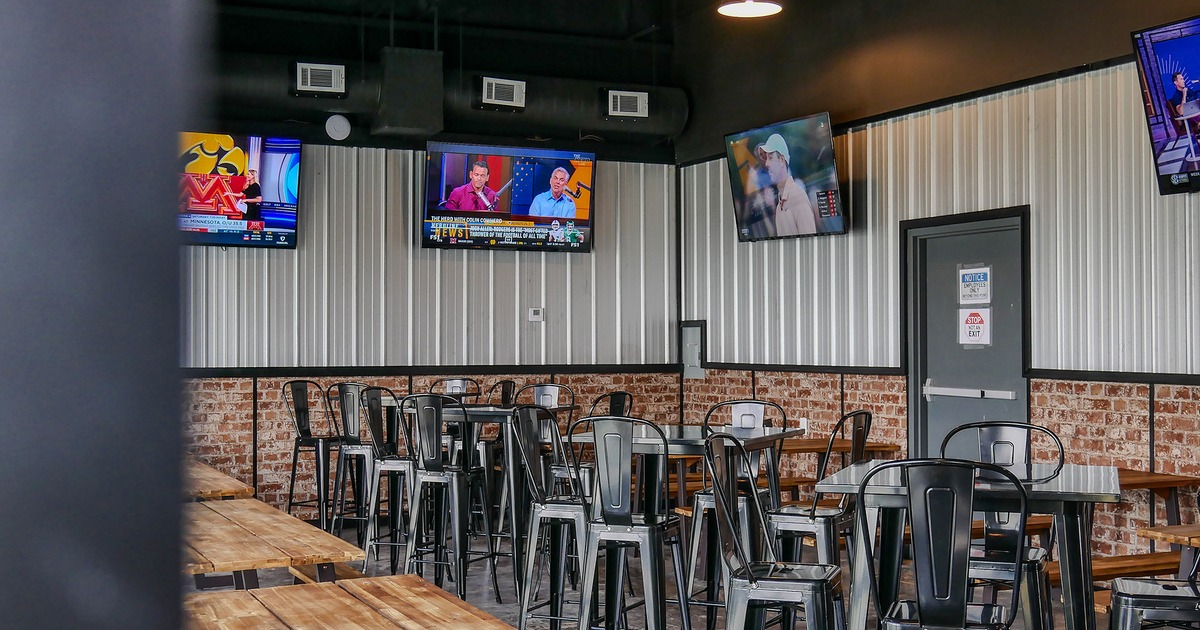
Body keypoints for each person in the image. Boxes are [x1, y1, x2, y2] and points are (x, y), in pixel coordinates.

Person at [755, 133, 816, 236]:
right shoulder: (780, 204)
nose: (766, 164)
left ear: (782, 160)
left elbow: (810, 244)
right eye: (766, 159)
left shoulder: (798, 197)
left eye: (770, 158)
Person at [1168, 72, 1200, 137]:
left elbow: (1197, 102)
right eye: (1181, 79)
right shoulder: (1175, 97)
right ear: (1176, 83)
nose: (1184, 81)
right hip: (1189, 121)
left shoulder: (1190, 91)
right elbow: (1181, 112)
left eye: (1183, 78)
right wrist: (1184, 95)